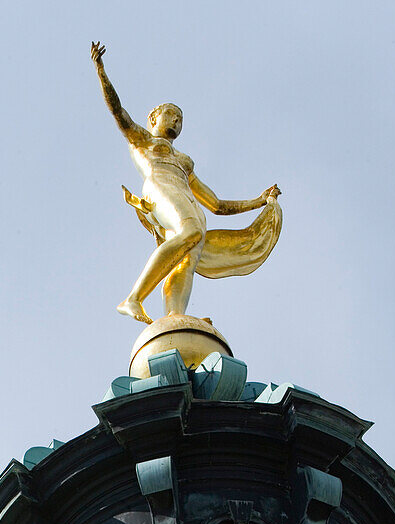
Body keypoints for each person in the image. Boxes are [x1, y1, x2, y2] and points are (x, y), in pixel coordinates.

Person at [90, 42, 282, 324]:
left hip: (185, 197)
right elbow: (118, 111)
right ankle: (133, 298)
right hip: (160, 188)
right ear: (154, 118)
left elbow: (217, 205)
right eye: (170, 114)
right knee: (190, 231)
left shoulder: (185, 161)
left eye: (180, 119)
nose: (176, 120)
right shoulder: (144, 141)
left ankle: (174, 317)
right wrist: (101, 71)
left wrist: (259, 201)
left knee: (187, 259)